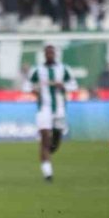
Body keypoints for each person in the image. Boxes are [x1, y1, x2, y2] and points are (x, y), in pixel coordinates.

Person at [27, 45, 78, 182]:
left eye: (51, 52)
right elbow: (27, 85)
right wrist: (34, 90)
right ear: (44, 54)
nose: (49, 55)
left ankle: (46, 155)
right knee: (45, 138)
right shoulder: (37, 70)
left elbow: (74, 85)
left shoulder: (64, 69)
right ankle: (47, 173)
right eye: (47, 53)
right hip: (44, 109)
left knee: (55, 143)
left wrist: (63, 86)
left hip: (60, 109)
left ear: (55, 54)